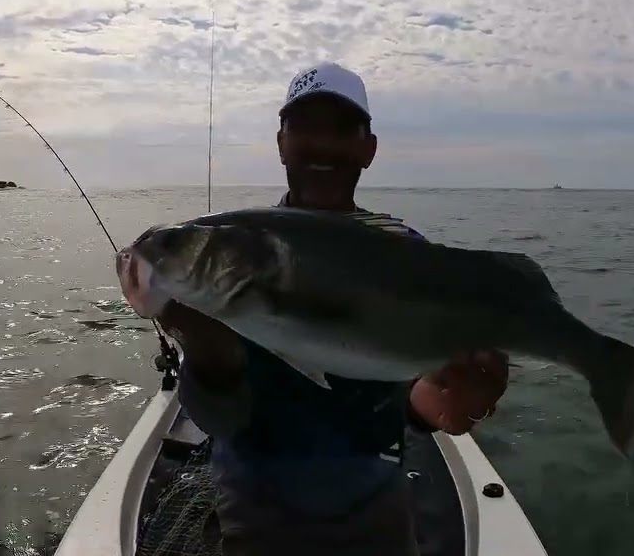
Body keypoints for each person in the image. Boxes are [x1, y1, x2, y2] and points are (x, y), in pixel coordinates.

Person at [150, 62, 511, 555]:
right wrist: (206, 346)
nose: (322, 145)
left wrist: (460, 403)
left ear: (369, 148)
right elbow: (220, 420)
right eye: (305, 129)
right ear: (281, 142)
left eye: (342, 130)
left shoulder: (410, 258)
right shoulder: (235, 255)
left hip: (379, 516)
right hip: (255, 521)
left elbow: (408, 402)